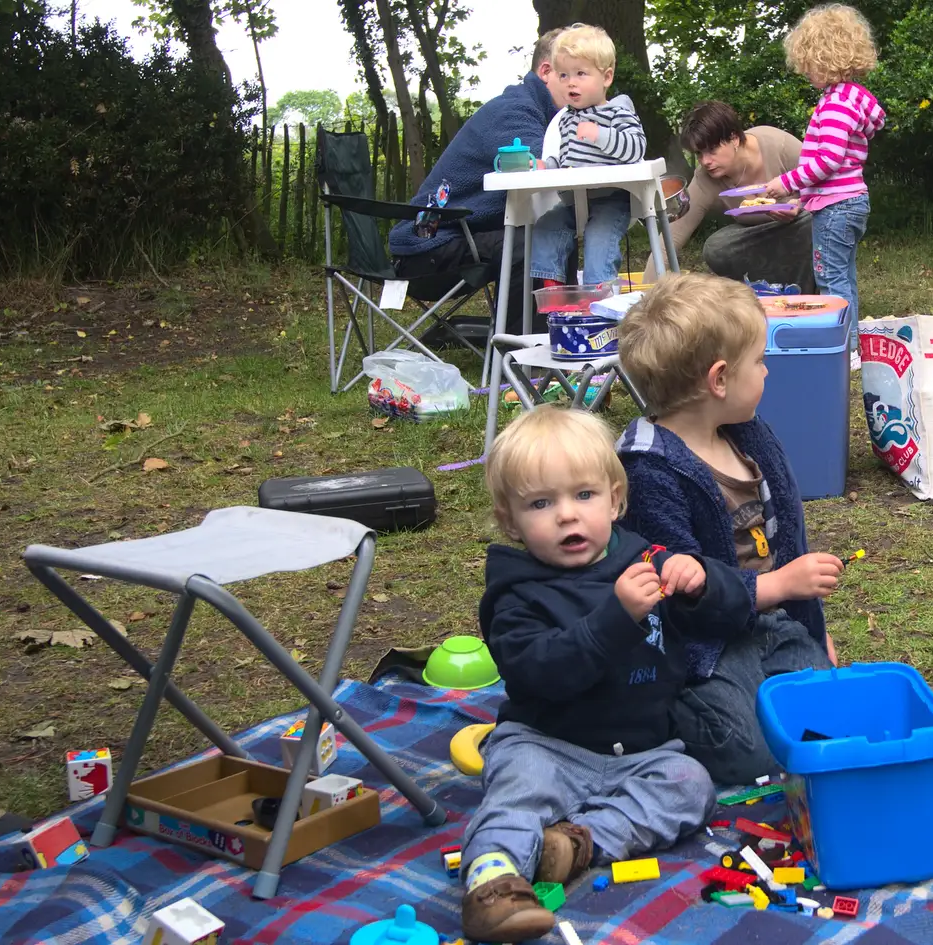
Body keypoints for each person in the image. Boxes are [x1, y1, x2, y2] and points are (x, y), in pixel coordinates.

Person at [463, 406, 752, 942]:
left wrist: (704, 580)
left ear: (616, 500)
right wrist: (615, 618)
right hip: (549, 742)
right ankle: (493, 884)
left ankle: (576, 844)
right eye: (541, 503)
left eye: (584, 496)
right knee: (519, 788)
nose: (567, 516)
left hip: (642, 751)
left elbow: (731, 611)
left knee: (690, 786)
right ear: (509, 520)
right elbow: (540, 673)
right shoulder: (515, 594)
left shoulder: (644, 558)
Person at [616, 272, 841, 786]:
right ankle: (661, 715)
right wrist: (779, 587)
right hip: (702, 648)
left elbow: (788, 542)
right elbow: (681, 595)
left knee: (830, 721)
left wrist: (814, 631)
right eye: (759, 361)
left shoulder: (749, 437)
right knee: (750, 754)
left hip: (772, 627)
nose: (767, 372)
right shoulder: (650, 471)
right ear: (719, 380)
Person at [389, 30, 567, 337]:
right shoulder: (514, 112)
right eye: (574, 72)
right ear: (546, 72)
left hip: (455, 236)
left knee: (551, 231)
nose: (582, 83)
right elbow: (550, 171)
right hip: (425, 245)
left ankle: (556, 334)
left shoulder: (539, 112)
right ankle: (521, 354)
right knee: (533, 242)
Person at [764, 4, 885, 365]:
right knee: (842, 275)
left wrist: (787, 183)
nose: (805, 72)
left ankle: (844, 351)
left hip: (836, 207)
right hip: (846, 202)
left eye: (808, 63)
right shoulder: (855, 99)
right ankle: (853, 345)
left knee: (830, 278)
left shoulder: (835, 105)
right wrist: (807, 195)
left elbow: (827, 160)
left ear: (824, 57)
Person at [643, 101, 814, 292]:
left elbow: (831, 185)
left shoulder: (779, 146)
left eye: (712, 150)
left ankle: (806, 295)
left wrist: (801, 203)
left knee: (810, 222)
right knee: (717, 246)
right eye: (699, 153)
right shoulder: (706, 177)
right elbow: (670, 238)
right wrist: (644, 298)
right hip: (757, 239)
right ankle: (762, 291)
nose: (705, 161)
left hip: (803, 232)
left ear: (733, 138)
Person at [529, 25, 647, 288]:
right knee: (548, 226)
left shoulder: (618, 111)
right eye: (563, 75)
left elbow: (635, 148)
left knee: (599, 237)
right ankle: (553, 291)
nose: (571, 82)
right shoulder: (565, 120)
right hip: (573, 201)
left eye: (580, 73)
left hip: (610, 200)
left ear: (606, 77)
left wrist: (600, 135)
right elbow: (566, 160)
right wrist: (546, 166)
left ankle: (600, 295)